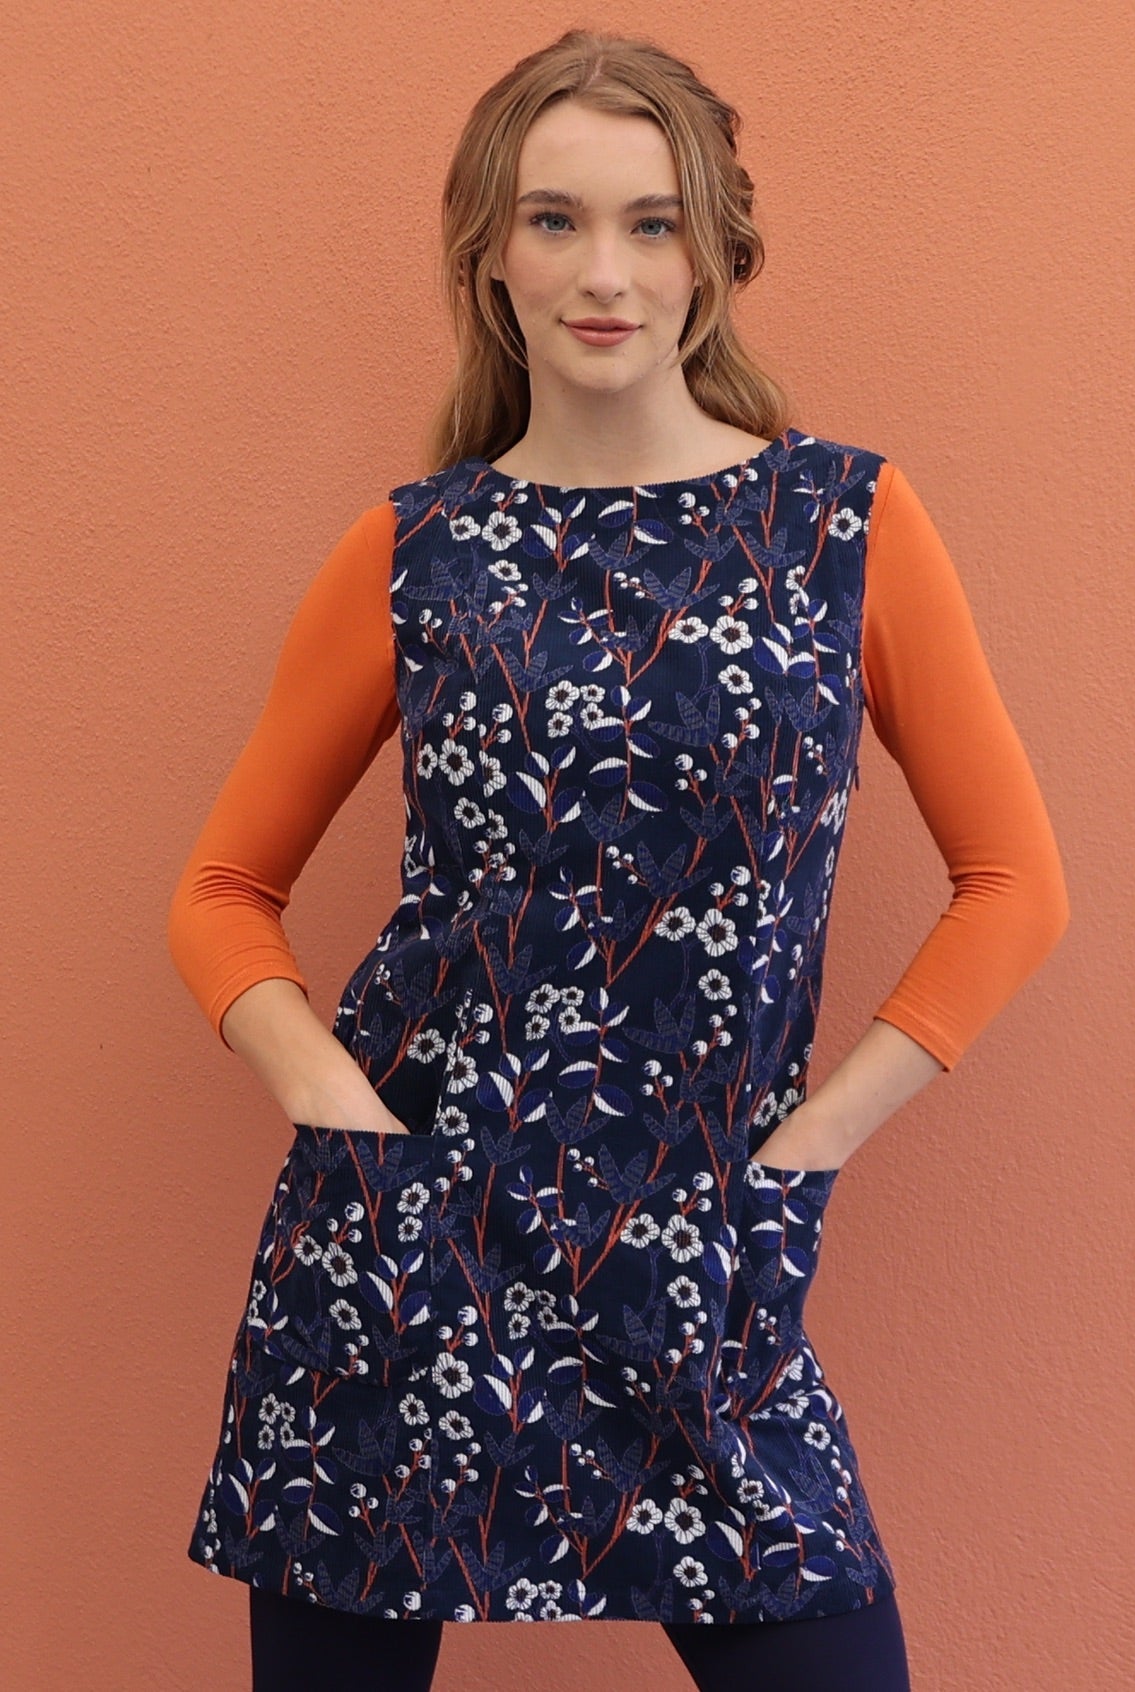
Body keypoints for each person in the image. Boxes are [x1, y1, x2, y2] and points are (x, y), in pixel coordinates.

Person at [167, 27, 1069, 1692]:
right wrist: (340, 1110)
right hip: (409, 1250)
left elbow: (1015, 880)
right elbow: (221, 896)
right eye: (556, 220)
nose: (606, 273)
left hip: (708, 1256)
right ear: (488, 255)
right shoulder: (414, 554)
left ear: (717, 254)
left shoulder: (843, 528)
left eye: (654, 223)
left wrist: (809, 1146)